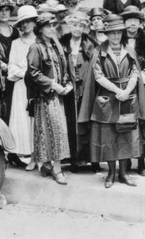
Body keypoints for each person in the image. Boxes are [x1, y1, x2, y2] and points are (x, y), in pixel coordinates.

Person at [78, 14, 145, 188]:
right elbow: (98, 75)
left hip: (127, 98)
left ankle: (124, 173)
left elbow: (135, 72)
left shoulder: (129, 50)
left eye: (119, 33)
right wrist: (118, 90)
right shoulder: (99, 51)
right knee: (109, 138)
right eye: (112, 33)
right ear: (106, 34)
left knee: (126, 136)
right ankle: (110, 173)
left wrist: (127, 90)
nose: (116, 36)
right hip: (108, 99)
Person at [25, 13, 72, 185]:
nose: (52, 29)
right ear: (40, 29)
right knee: (50, 131)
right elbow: (33, 72)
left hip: (56, 96)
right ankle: (55, 169)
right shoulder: (36, 47)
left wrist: (66, 83)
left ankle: (47, 165)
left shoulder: (54, 45)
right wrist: (53, 84)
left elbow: (63, 67)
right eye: (48, 26)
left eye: (54, 25)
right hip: (44, 96)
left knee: (56, 130)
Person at [60, 11, 98, 171]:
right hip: (69, 89)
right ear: (70, 26)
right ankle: (74, 159)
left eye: (81, 26)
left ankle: (92, 160)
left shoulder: (90, 44)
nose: (77, 29)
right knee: (71, 123)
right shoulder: (63, 43)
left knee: (88, 123)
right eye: (75, 25)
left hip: (87, 89)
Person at [120, 5, 145, 175]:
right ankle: (125, 160)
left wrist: (144, 73)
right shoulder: (118, 40)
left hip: (142, 85)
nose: (132, 24)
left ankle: (141, 162)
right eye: (129, 20)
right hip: (124, 85)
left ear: (140, 23)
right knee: (125, 121)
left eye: (135, 21)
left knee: (142, 121)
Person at [7, 5, 38, 170]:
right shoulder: (16, 43)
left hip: (37, 86)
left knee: (37, 120)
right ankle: (29, 156)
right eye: (22, 23)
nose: (25, 25)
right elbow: (11, 68)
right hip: (21, 87)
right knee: (24, 120)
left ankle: (37, 156)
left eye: (28, 22)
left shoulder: (39, 41)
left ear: (34, 22)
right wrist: (26, 72)